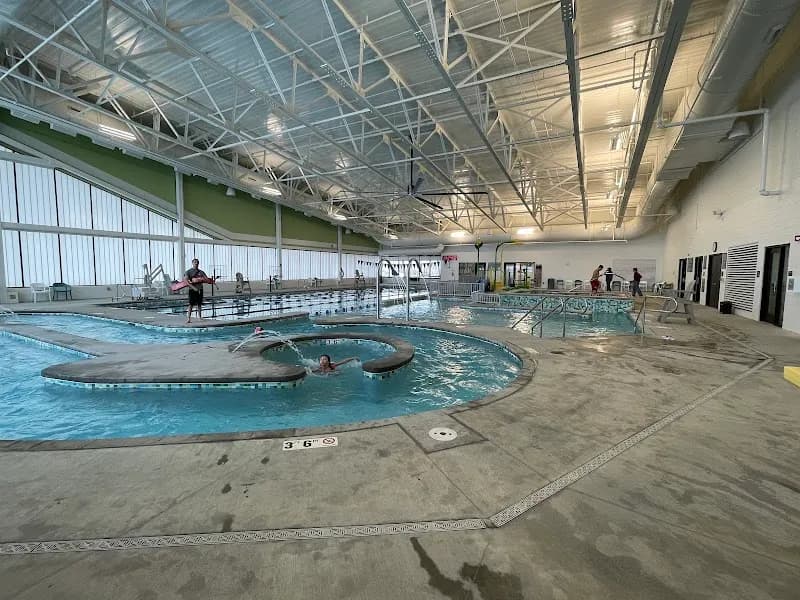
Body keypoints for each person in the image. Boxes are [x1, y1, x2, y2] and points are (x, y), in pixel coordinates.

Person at [184, 258, 208, 323]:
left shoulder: (201, 272)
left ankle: (200, 317)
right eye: (195, 262)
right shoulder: (188, 272)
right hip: (192, 290)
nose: (196, 263)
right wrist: (193, 287)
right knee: (191, 304)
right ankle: (188, 318)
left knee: (199, 304)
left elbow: (206, 279)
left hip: (200, 289)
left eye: (197, 262)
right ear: (192, 263)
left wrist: (200, 279)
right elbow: (186, 281)